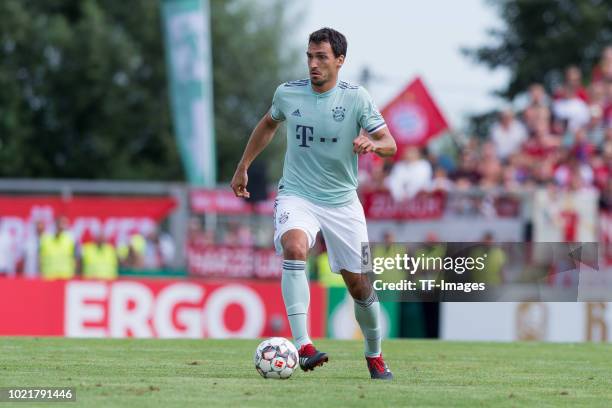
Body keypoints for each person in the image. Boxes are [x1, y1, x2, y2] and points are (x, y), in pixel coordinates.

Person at [231, 28, 397, 380]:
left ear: (339, 60)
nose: (313, 64)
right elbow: (267, 125)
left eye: (321, 57)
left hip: (342, 202)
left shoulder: (357, 98)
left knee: (361, 286)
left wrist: (372, 143)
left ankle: (375, 355)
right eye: (309, 56)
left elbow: (390, 144)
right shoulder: (288, 93)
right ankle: (304, 345)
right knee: (293, 247)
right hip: (297, 193)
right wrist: (243, 165)